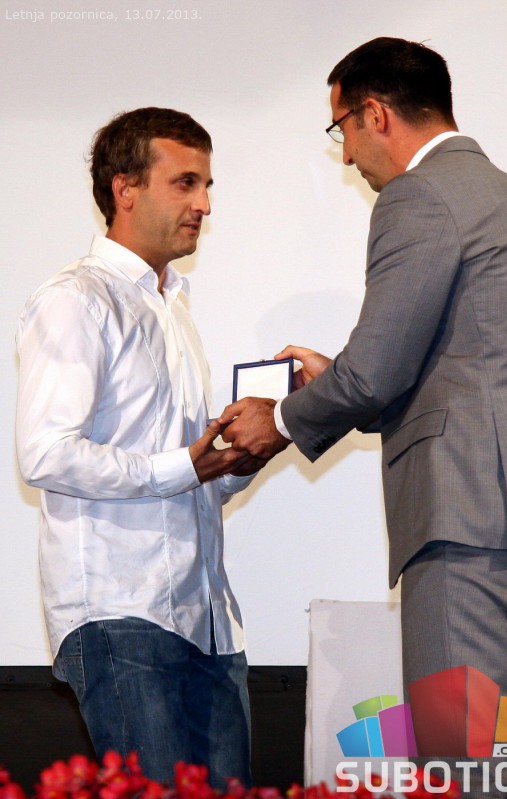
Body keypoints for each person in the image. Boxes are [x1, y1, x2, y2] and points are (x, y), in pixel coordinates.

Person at [218, 38, 507, 796]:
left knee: (464, 764)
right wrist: (341, 380)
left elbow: (376, 369)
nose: (346, 156)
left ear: (374, 113)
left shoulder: (419, 196)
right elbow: (473, 367)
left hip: (465, 522)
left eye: (341, 129)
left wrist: (283, 417)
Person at [16, 107, 263, 789]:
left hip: (207, 620)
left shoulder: (172, 307)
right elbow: (45, 453)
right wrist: (183, 464)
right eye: (185, 183)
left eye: (206, 185)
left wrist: (237, 459)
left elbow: (185, 473)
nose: (204, 204)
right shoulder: (76, 298)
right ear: (124, 188)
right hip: (122, 613)